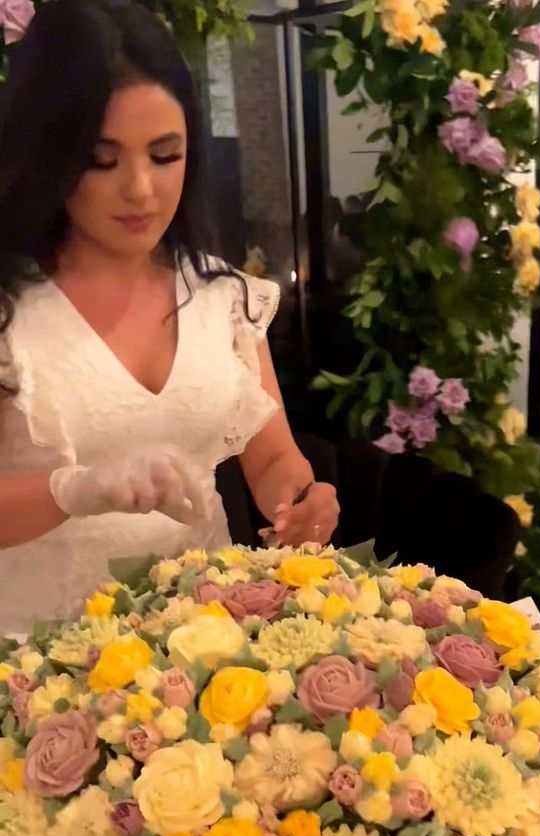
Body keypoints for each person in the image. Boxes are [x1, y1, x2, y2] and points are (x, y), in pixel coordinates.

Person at [0, 0, 339, 629]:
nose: (141, 190)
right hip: (33, 660)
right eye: (102, 160)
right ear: (48, 151)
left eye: (164, 155)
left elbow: (270, 458)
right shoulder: (12, 313)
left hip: (194, 658)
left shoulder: (223, 298)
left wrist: (299, 499)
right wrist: (73, 491)